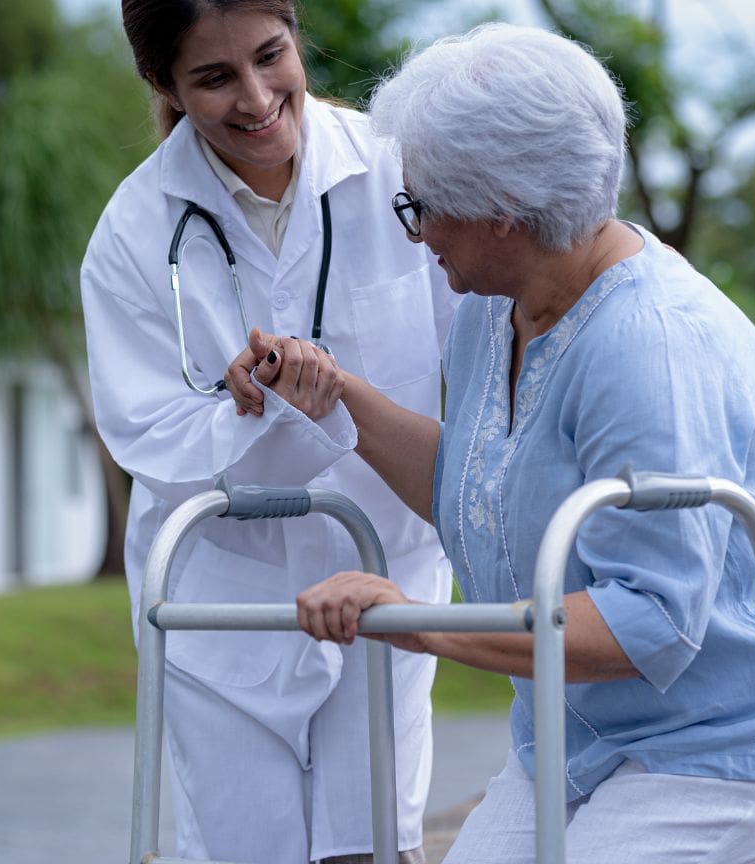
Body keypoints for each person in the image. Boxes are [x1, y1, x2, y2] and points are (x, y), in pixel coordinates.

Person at [230, 23, 755, 863]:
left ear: (506, 211)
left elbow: (651, 622)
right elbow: (477, 486)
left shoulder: (649, 346)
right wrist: (334, 395)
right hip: (593, 724)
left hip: (751, 720)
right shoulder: (497, 303)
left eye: (425, 208)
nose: (419, 235)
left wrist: (420, 624)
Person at [79, 2, 459, 861]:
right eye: (213, 78)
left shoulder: (399, 173)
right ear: (164, 86)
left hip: (383, 571)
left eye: (270, 57)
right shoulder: (135, 232)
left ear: (295, 38)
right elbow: (143, 431)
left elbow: (475, 344)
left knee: (372, 846)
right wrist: (240, 406)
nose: (255, 99)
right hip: (225, 606)